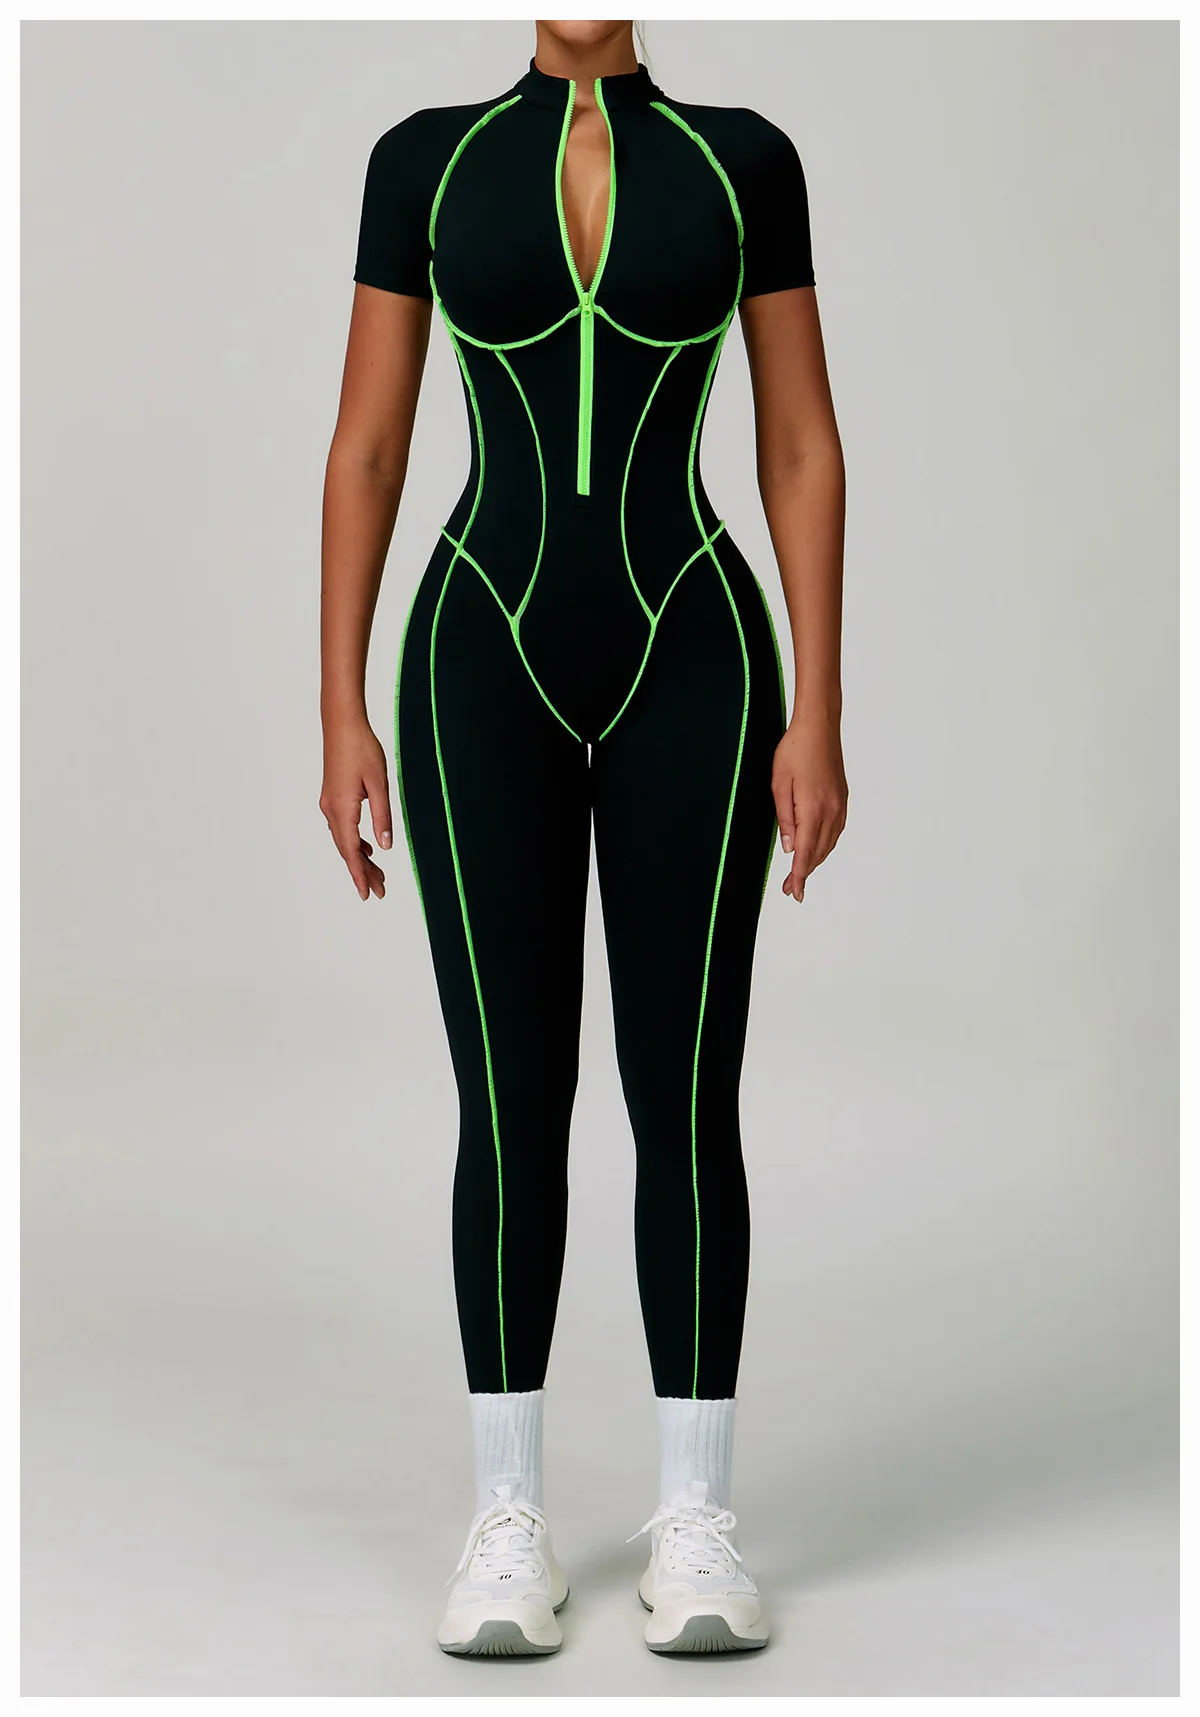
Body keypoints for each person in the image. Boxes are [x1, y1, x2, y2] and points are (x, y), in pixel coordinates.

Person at [320, 17, 847, 1657]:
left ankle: (697, 1527)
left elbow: (799, 442)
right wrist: (339, 709)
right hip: (480, 653)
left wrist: (819, 711)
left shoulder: (744, 162)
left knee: (685, 1092)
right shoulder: (426, 162)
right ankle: (509, 1524)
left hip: (698, 649)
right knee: (511, 1099)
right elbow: (371, 446)